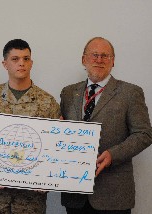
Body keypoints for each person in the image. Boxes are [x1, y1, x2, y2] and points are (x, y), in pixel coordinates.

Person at [60, 37, 152, 214]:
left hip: (114, 195)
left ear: (113, 61)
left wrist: (113, 155)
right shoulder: (68, 92)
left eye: (105, 56)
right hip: (75, 194)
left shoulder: (131, 92)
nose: (99, 60)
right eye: (94, 55)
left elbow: (144, 134)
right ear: (83, 59)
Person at [0, 39, 61, 214]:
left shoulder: (48, 102)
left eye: (26, 58)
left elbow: (55, 148)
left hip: (30, 202)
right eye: (15, 59)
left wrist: (48, 178)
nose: (21, 63)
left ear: (31, 63)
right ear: (4, 64)